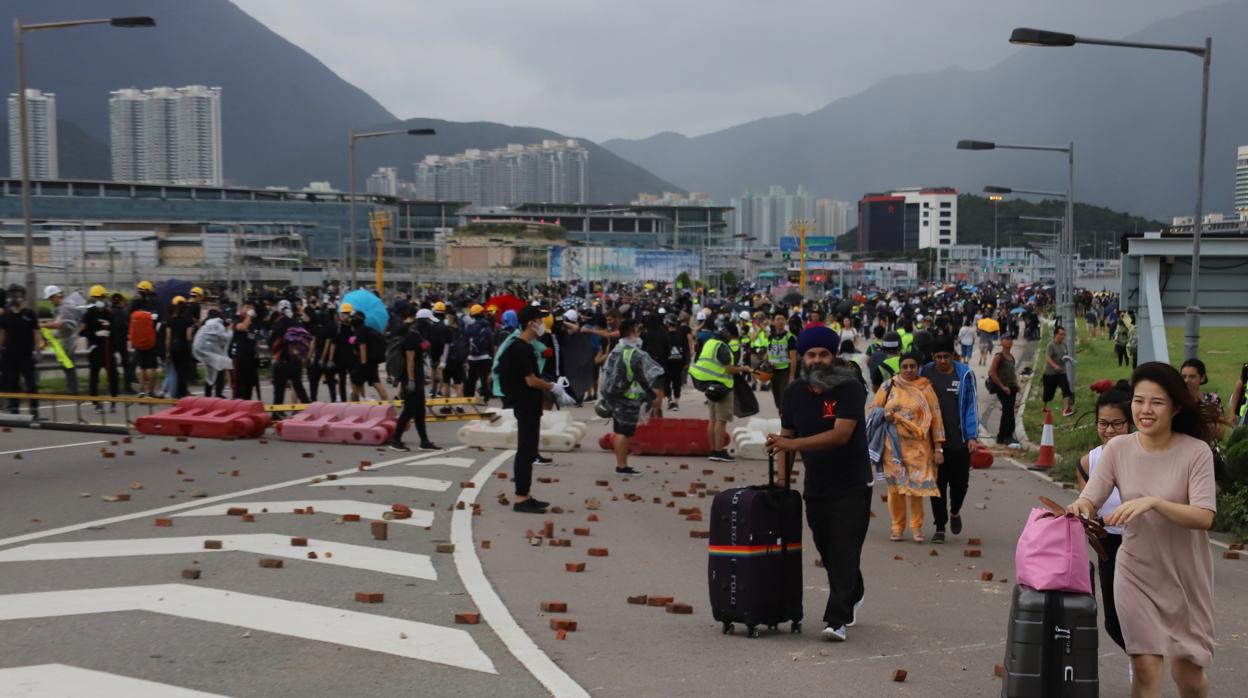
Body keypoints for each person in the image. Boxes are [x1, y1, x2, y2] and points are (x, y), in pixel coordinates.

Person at [1068, 362, 1216, 698]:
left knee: (1189, 677)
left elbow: (1205, 516)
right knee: (1146, 668)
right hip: (1136, 571)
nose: (1145, 410)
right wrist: (1081, 507)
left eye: (1156, 402)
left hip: (1186, 577)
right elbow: (1091, 496)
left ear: (1176, 407)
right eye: (1138, 401)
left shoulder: (1196, 453)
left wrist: (1155, 503)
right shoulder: (1119, 448)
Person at [765, 326, 871, 643]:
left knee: (844, 546)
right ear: (804, 358)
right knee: (828, 549)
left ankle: (835, 620)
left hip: (852, 482)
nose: (817, 360)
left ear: (833, 356)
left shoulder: (850, 388)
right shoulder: (794, 392)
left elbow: (840, 436)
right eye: (811, 354)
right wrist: (782, 482)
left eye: (824, 354)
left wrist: (791, 446)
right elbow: (787, 436)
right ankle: (853, 587)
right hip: (818, 485)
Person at [1074, 381, 1132, 655]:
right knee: (1113, 621)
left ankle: (1145, 665)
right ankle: (1141, 659)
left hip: (1143, 541)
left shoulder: (1145, 457)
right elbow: (1086, 505)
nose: (1109, 431)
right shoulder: (1089, 462)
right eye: (1103, 423)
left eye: (1117, 424)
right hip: (1108, 545)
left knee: (1144, 614)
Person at [872, 352, 943, 543]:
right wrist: (885, 415)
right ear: (900, 368)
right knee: (895, 489)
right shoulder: (889, 386)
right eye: (905, 366)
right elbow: (874, 411)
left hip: (919, 447)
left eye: (913, 366)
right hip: (892, 447)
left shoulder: (926, 388)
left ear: (918, 367)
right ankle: (897, 527)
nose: (909, 370)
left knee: (916, 488)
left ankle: (916, 527)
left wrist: (938, 448)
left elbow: (936, 418)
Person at [497, 306, 560, 514]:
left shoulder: (526, 346)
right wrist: (553, 387)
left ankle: (526, 494)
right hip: (526, 405)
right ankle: (521, 497)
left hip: (528, 405)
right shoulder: (521, 348)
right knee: (525, 451)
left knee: (529, 450)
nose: (542, 324)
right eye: (539, 320)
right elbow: (531, 380)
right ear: (531, 323)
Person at [920, 336, 979, 544]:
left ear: (953, 356)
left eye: (946, 357)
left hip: (959, 441)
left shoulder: (964, 375)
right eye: (938, 357)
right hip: (934, 443)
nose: (942, 361)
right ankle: (940, 526)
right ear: (933, 357)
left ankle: (955, 511)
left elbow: (971, 406)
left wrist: (972, 436)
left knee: (960, 484)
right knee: (937, 486)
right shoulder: (924, 373)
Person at [600, 319, 664, 476]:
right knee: (625, 432)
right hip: (628, 398)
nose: (640, 333)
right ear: (631, 332)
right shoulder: (633, 354)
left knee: (619, 430)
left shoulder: (617, 349)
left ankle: (621, 464)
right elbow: (640, 377)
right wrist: (651, 393)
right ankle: (622, 466)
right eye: (637, 330)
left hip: (615, 396)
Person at [688, 319, 751, 463]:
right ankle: (719, 451)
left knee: (713, 419)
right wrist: (744, 368)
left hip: (710, 385)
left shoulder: (711, 342)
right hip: (722, 386)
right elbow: (729, 369)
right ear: (728, 334)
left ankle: (712, 450)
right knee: (721, 421)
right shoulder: (722, 347)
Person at [388, 307, 439, 453]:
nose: (431, 324)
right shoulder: (412, 336)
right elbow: (410, 359)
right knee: (409, 410)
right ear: (424, 321)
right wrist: (410, 380)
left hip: (417, 375)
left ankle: (424, 442)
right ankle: (395, 440)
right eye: (429, 321)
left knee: (420, 410)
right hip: (410, 377)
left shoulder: (418, 335)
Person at [0, 285, 42, 416]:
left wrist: (39, 346)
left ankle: (34, 409)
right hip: (9, 354)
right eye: (12, 294)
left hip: (26, 354)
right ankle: (14, 408)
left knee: (30, 382)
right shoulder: (5, 315)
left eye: (17, 294)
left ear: (23, 296)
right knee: (13, 382)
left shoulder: (29, 314)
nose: (14, 297)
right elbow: (2, 334)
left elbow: (36, 332)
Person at [80, 285, 119, 411]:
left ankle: (113, 400)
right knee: (94, 376)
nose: (101, 299)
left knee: (113, 375)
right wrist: (95, 333)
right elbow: (81, 331)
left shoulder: (109, 313)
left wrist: (112, 338)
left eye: (102, 297)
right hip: (95, 349)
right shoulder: (89, 314)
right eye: (97, 297)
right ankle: (96, 402)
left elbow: (115, 330)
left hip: (108, 350)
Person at [40, 285, 80, 395]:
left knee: (69, 367)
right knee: (68, 367)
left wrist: (42, 325)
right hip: (66, 341)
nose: (50, 300)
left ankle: (73, 392)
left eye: (51, 298)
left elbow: (58, 324)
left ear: (57, 296)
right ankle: (72, 390)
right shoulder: (62, 307)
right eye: (49, 298)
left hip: (69, 342)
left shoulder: (64, 308)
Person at [1180, 358, 1226, 443]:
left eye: (1192, 376)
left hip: (1207, 448)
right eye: (1183, 377)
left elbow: (1221, 433)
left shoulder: (1213, 399)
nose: (1186, 380)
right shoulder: (1176, 400)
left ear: (1202, 378)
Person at [988, 334, 1021, 447]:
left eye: (1011, 339)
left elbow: (1012, 372)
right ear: (1001, 342)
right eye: (1007, 339)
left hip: (1011, 387)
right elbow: (992, 373)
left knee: (1009, 411)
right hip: (1002, 388)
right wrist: (1002, 387)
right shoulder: (999, 357)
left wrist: (1016, 384)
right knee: (1008, 412)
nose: (1009, 341)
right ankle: (1007, 436)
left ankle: (1002, 436)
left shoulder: (1011, 357)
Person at [192, 310, 233, 398]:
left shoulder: (205, 325)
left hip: (205, 353)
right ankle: (218, 394)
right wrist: (229, 331)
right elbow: (225, 339)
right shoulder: (217, 325)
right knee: (220, 372)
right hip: (215, 354)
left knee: (209, 374)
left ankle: (207, 395)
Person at [765, 311, 798, 413]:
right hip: (773, 372)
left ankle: (786, 425)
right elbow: (768, 354)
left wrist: (792, 376)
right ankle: (783, 421)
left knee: (784, 400)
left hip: (785, 372)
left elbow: (793, 358)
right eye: (777, 319)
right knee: (777, 400)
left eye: (782, 319)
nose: (780, 321)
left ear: (785, 321)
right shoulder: (771, 337)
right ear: (773, 322)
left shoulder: (790, 337)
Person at [164, 296, 195, 398]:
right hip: (184, 348)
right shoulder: (188, 321)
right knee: (183, 373)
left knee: (176, 372)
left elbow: (168, 338)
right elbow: (188, 337)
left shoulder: (170, 321)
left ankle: (176, 395)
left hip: (173, 349)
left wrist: (168, 351)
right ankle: (182, 394)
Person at [1042, 326, 1075, 417]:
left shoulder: (1064, 345)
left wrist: (1067, 359)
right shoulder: (1051, 345)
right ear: (1056, 334)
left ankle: (1066, 408)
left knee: (1066, 389)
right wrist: (1055, 366)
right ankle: (1044, 407)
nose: (1063, 336)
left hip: (1061, 372)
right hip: (1050, 373)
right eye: (1061, 334)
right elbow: (1048, 358)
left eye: (1064, 334)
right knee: (1048, 393)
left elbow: (1065, 355)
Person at [464, 304, 494, 402]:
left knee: (471, 378)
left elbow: (466, 341)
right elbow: (490, 341)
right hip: (484, 357)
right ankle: (485, 398)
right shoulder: (486, 325)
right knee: (484, 378)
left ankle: (469, 396)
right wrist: (491, 355)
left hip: (472, 357)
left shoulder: (469, 326)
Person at [230, 303, 260, 400]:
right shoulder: (238, 320)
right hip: (239, 356)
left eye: (251, 307)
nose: (249, 309)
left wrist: (256, 352)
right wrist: (249, 316)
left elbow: (256, 340)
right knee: (238, 383)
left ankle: (247, 402)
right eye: (247, 307)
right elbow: (242, 327)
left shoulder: (255, 324)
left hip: (250, 357)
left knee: (249, 383)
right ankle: (236, 402)